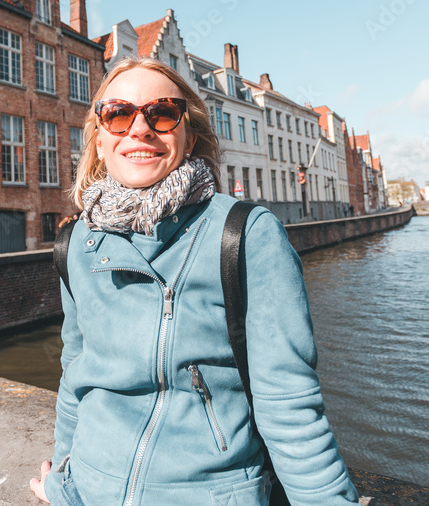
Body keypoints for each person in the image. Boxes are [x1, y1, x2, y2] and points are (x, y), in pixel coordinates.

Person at [30, 58, 358, 505]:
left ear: (189, 136)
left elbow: (289, 401)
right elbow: (78, 372)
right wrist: (64, 474)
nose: (140, 128)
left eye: (162, 113)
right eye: (118, 114)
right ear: (100, 139)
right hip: (90, 492)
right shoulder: (76, 242)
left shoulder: (245, 234)